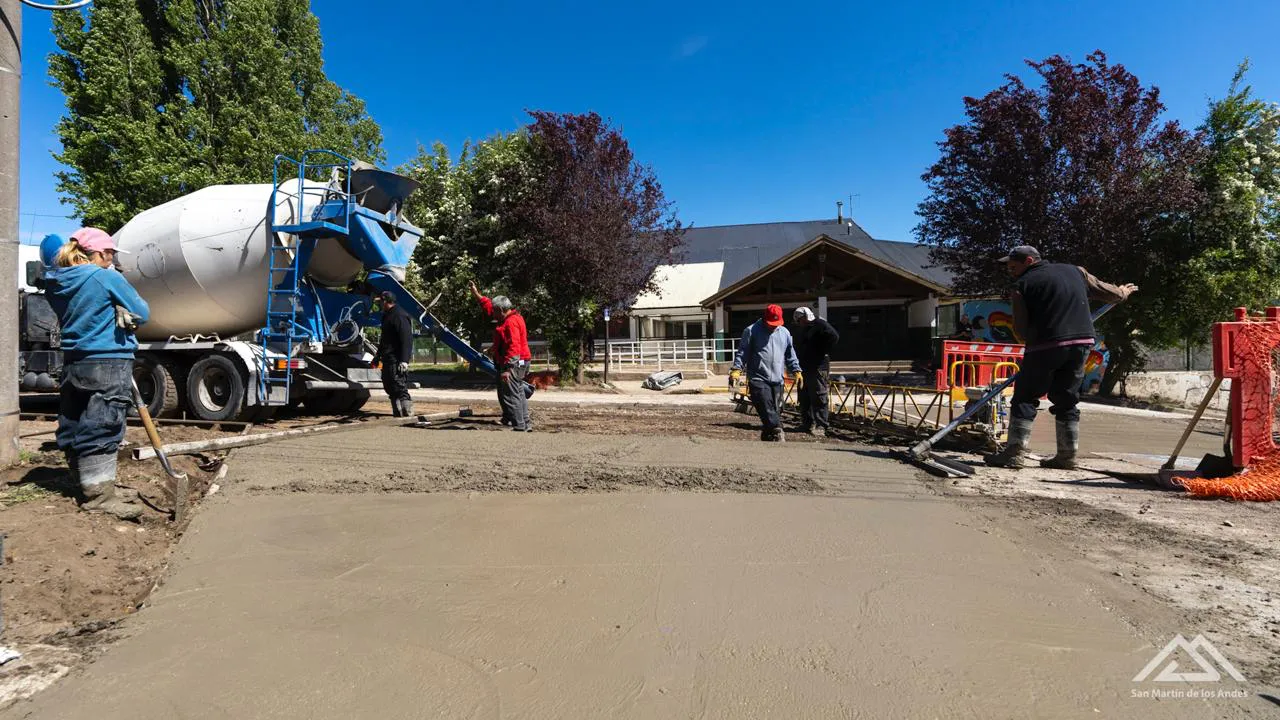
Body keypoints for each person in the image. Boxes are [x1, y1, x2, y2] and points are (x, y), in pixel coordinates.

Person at [984, 246, 1137, 470]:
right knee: (1067, 397)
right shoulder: (1076, 272)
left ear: (1028, 261)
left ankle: (1014, 453)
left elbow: (1020, 329)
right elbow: (1109, 292)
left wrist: (1028, 340)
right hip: (1082, 342)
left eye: (1013, 265)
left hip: (1045, 343)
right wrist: (1123, 293)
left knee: (1025, 396)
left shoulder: (1022, 285)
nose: (1010, 270)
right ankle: (1067, 456)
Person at [45, 228, 149, 520]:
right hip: (109, 359)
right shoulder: (106, 277)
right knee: (103, 425)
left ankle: (87, 484)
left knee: (75, 421)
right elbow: (143, 310)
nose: (113, 260)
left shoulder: (57, 281)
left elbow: (82, 309)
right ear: (101, 253)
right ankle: (100, 496)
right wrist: (121, 305)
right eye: (111, 254)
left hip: (75, 360)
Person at [731, 304, 802, 442]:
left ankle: (768, 437)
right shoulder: (751, 331)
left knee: (775, 411)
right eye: (771, 324)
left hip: (777, 378)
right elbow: (743, 352)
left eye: (776, 324)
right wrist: (736, 370)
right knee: (765, 406)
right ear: (765, 318)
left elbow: (790, 353)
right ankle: (777, 429)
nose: (774, 327)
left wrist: (796, 370)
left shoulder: (784, 333)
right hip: (758, 377)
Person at [470, 280, 533, 431]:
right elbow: (488, 308)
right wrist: (476, 294)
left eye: (495, 311)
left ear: (501, 309)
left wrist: (508, 369)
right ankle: (525, 424)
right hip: (523, 361)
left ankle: (519, 426)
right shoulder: (514, 317)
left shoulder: (510, 323)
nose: (493, 314)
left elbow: (513, 346)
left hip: (515, 362)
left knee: (512, 394)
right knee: (518, 391)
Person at [792, 306, 840, 437]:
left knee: (819, 396)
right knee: (804, 396)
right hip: (805, 366)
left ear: (805, 317)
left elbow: (834, 337)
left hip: (818, 366)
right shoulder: (804, 328)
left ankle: (821, 425)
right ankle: (807, 423)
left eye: (800, 319)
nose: (799, 322)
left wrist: (822, 351)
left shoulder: (820, 324)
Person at [377, 291, 414, 418]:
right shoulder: (387, 316)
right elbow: (384, 340)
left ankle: (407, 414)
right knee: (389, 386)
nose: (379, 304)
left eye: (380, 302)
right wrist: (377, 357)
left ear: (385, 301)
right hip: (387, 358)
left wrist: (404, 360)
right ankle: (397, 414)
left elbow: (406, 339)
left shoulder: (399, 315)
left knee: (399, 386)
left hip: (397, 359)